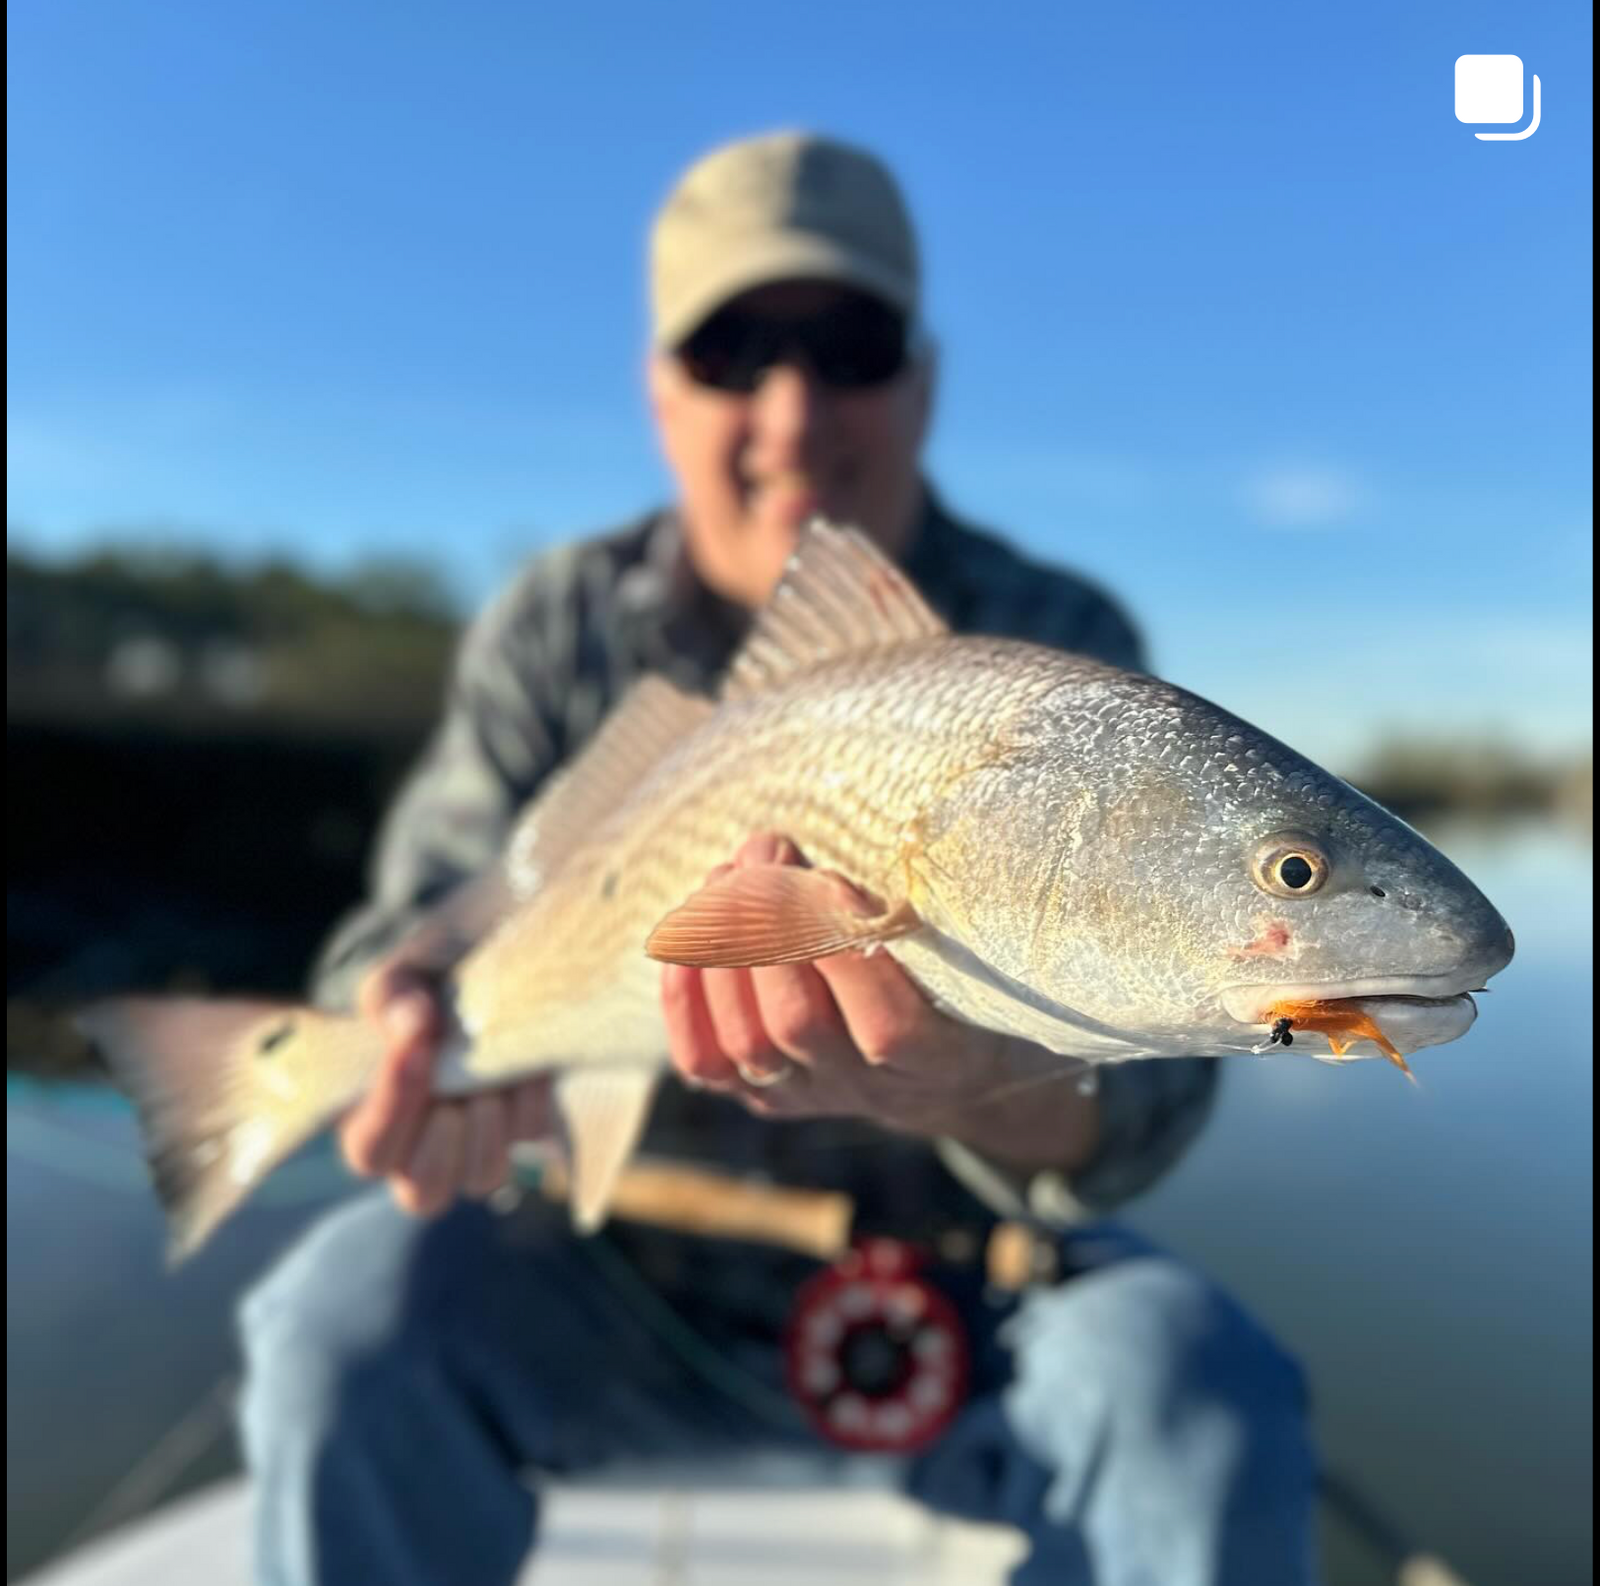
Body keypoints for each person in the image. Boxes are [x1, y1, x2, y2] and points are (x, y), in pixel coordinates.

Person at [239, 130, 1318, 1585]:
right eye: (734, 350)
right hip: (603, 1274)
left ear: (924, 382)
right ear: (658, 391)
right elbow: (412, 922)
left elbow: (1158, 1105)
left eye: (850, 344)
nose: (795, 415)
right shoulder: (557, 625)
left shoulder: (1062, 647)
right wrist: (401, 1018)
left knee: (1197, 1379)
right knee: (333, 1325)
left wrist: (983, 1084)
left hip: (965, 1296)